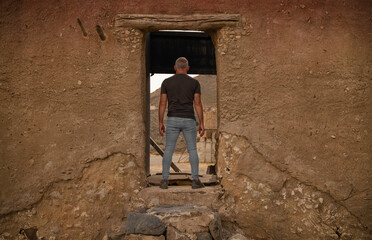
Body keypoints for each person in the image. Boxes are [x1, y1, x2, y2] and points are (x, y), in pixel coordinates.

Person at [158, 57, 205, 189]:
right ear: (188, 68)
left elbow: (162, 104)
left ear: (175, 67)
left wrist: (161, 122)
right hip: (189, 119)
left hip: (172, 119)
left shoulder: (166, 82)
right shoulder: (194, 83)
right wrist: (201, 123)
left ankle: (164, 180)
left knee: (168, 149)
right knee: (192, 150)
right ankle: (195, 180)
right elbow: (198, 104)